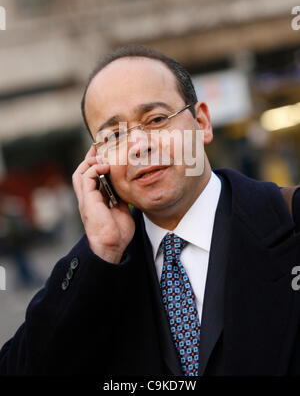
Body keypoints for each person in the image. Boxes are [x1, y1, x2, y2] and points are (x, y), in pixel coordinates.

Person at [0, 44, 300, 376]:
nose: (139, 147)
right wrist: (100, 250)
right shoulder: (100, 271)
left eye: (156, 120)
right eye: (114, 135)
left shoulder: (289, 221)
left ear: (201, 122)